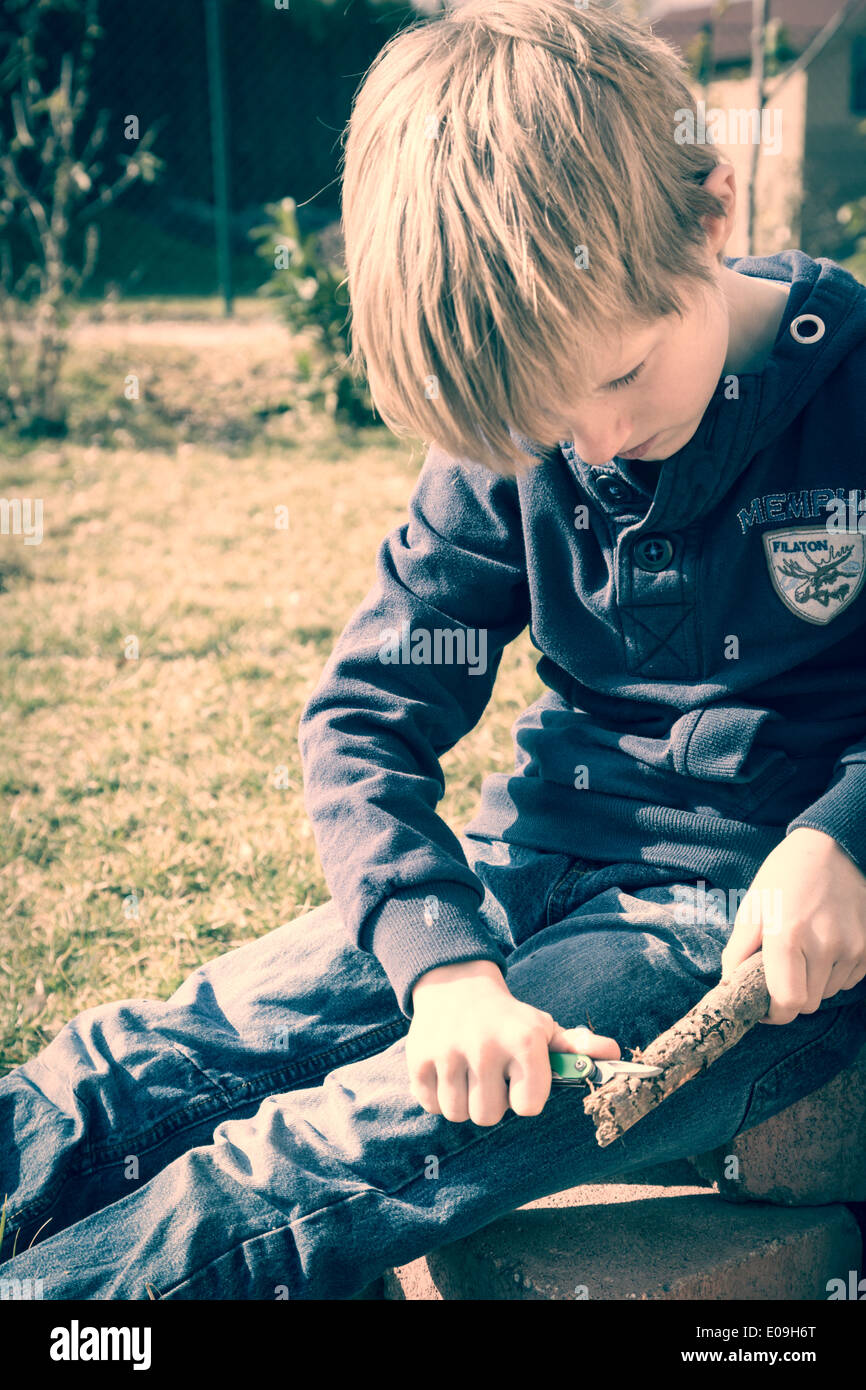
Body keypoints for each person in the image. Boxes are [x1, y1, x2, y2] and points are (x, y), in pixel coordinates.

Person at [2, 0, 866, 1300]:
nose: (584, 442)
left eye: (620, 378)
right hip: (521, 861)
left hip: (721, 930)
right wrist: (447, 965)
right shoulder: (532, 422)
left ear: (710, 214)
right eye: (537, 418)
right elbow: (364, 717)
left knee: (340, 1148)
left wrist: (845, 830)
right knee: (148, 1057)